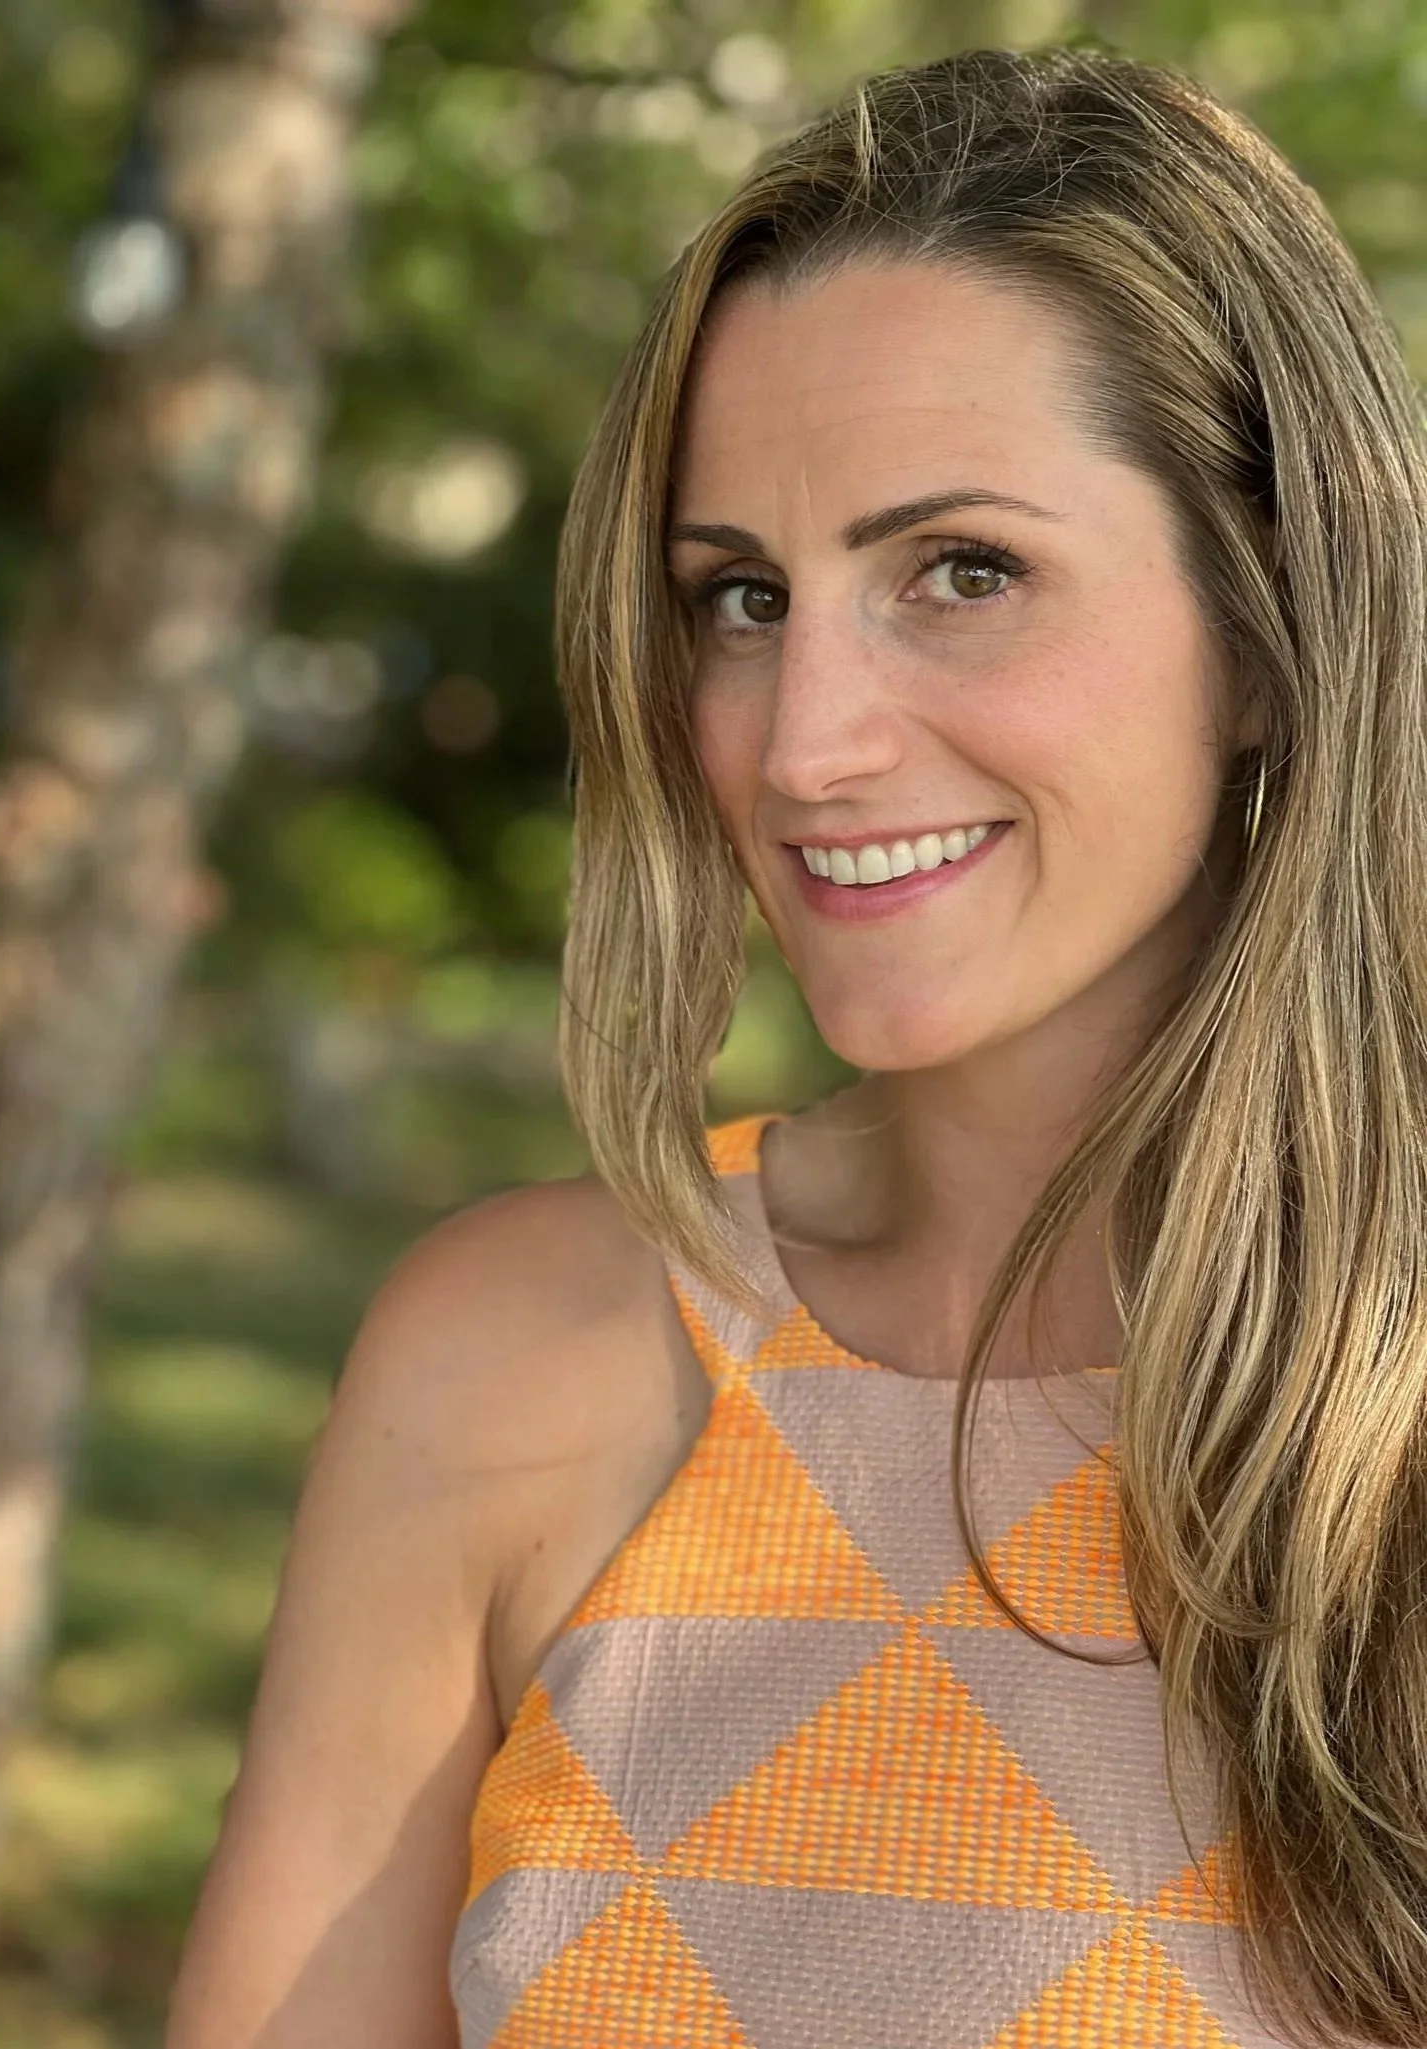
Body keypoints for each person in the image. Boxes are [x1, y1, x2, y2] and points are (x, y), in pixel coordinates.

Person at [162, 43, 1427, 2049]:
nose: (797, 737)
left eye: (964, 571)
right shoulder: (514, 1357)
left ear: (1269, 629)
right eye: (739, 595)